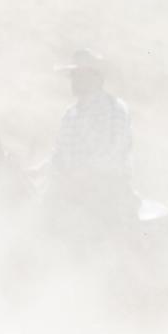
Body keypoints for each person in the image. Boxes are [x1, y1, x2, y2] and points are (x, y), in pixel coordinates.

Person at [40, 49, 138, 246]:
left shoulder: (115, 108)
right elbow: (59, 152)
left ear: (96, 78)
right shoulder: (70, 113)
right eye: (74, 75)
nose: (75, 80)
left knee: (100, 236)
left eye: (81, 75)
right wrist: (39, 170)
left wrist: (83, 174)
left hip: (107, 189)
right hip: (71, 188)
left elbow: (113, 150)